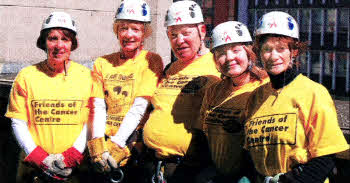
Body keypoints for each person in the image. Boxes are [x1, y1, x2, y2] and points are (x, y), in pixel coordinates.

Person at [243, 11, 349, 183]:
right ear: (259, 53)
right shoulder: (255, 98)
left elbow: (326, 157)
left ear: (294, 51)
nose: (274, 56)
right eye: (267, 49)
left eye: (281, 48)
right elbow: (251, 153)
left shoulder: (314, 93)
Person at [5, 12, 91, 182]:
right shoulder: (26, 76)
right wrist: (41, 158)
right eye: (53, 38)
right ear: (44, 42)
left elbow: (90, 121)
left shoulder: (87, 77)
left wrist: (71, 156)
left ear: (72, 43)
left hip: (73, 170)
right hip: (33, 169)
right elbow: (18, 122)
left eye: (65, 39)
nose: (59, 45)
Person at [142, 1, 221, 182]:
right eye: (173, 34)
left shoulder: (217, 65)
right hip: (153, 166)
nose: (179, 40)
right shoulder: (170, 68)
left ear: (202, 31)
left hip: (189, 170)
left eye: (186, 33)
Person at [86, 0, 163, 182]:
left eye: (135, 29)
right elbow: (97, 106)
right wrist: (98, 145)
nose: (128, 35)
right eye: (123, 28)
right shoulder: (102, 63)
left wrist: (118, 143)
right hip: (106, 143)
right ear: (116, 31)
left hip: (133, 145)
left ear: (144, 33)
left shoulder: (151, 60)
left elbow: (140, 107)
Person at [198, 21, 269, 183]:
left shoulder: (264, 87)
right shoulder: (214, 91)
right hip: (217, 174)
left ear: (248, 52)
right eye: (221, 53)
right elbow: (203, 135)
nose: (229, 58)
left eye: (236, 50)